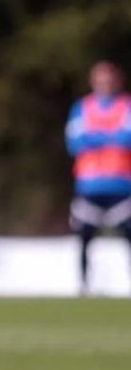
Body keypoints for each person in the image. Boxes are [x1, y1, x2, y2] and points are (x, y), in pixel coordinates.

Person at [66, 60, 131, 294]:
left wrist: (96, 138)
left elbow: (128, 139)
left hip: (123, 187)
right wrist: (111, 138)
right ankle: (83, 286)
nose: (105, 84)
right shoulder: (81, 108)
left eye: (109, 79)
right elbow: (76, 142)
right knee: (83, 238)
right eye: (101, 80)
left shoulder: (126, 106)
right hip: (88, 187)